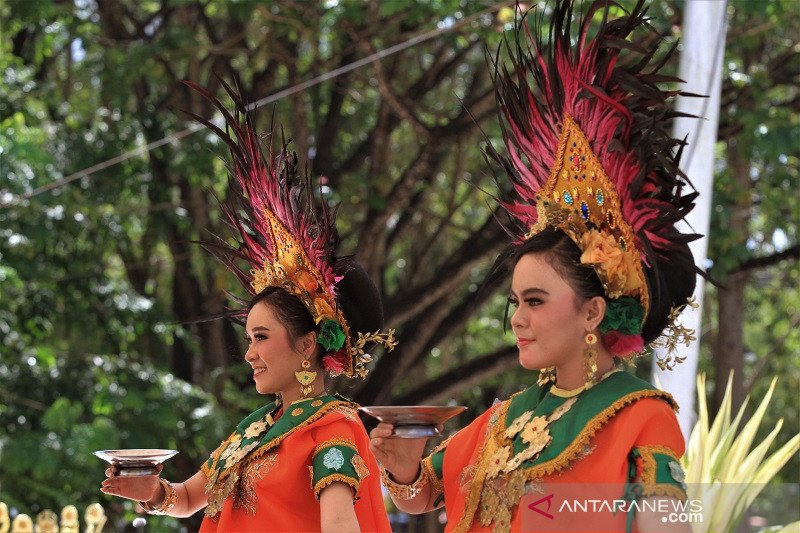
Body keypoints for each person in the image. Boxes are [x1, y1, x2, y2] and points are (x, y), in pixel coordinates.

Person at [370, 1, 701, 532]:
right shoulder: (503, 418)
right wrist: (405, 468)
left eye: (535, 301)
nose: (517, 319)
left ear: (592, 312)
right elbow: (423, 495)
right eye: (516, 302)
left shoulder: (640, 415)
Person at [101, 81, 395, 532]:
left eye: (261, 337)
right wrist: (154, 494)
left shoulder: (331, 431)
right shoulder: (254, 429)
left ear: (306, 345)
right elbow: (186, 499)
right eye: (249, 339)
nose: (249, 353)